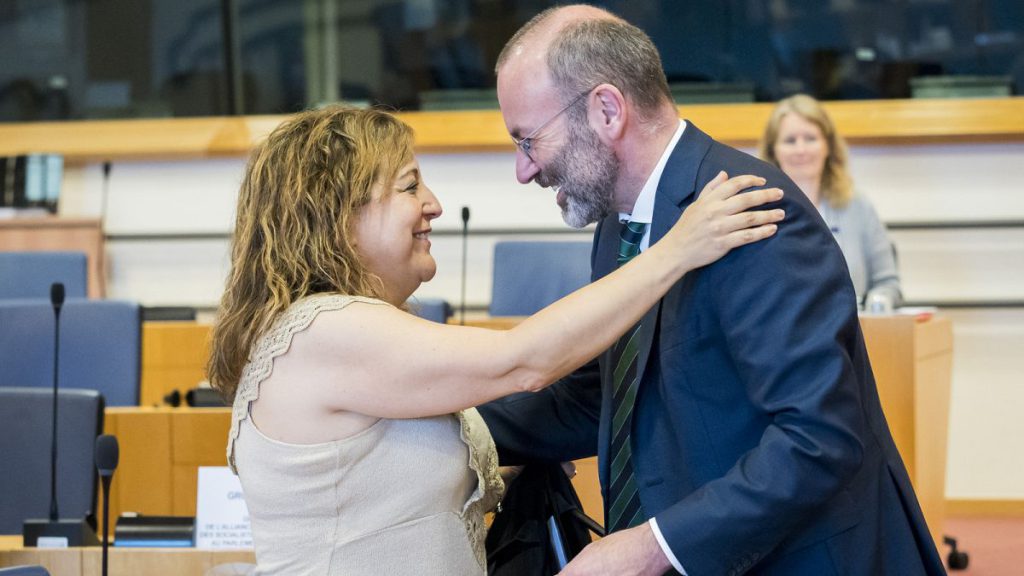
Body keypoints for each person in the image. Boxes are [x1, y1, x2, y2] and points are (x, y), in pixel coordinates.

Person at [206, 105, 782, 575]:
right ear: (338, 215)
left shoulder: (340, 334)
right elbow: (524, 361)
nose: (432, 204)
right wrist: (678, 250)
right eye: (410, 186)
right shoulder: (322, 330)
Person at [479, 5, 945, 575]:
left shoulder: (750, 209)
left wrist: (654, 547)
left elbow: (818, 438)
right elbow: (603, 395)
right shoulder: (618, 227)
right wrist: (451, 437)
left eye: (528, 140)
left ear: (606, 110)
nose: (524, 171)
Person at [759, 93, 902, 309]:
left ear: (828, 146)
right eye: (790, 141)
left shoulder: (858, 206)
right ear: (773, 151)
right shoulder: (756, 211)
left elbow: (887, 283)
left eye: (810, 138)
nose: (801, 149)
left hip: (851, 335)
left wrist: (878, 303)